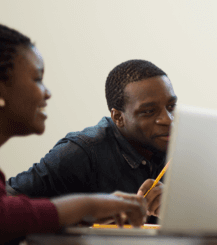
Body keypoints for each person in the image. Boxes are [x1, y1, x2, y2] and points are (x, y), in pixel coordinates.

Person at [0, 24, 146, 244]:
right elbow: (6, 216)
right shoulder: (83, 147)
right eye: (37, 79)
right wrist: (88, 205)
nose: (47, 93)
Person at [7, 59, 176, 218]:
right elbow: (6, 203)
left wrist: (177, 208)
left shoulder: (182, 147)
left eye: (171, 107)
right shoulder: (82, 151)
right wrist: (81, 212)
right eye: (148, 111)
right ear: (118, 117)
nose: (168, 119)